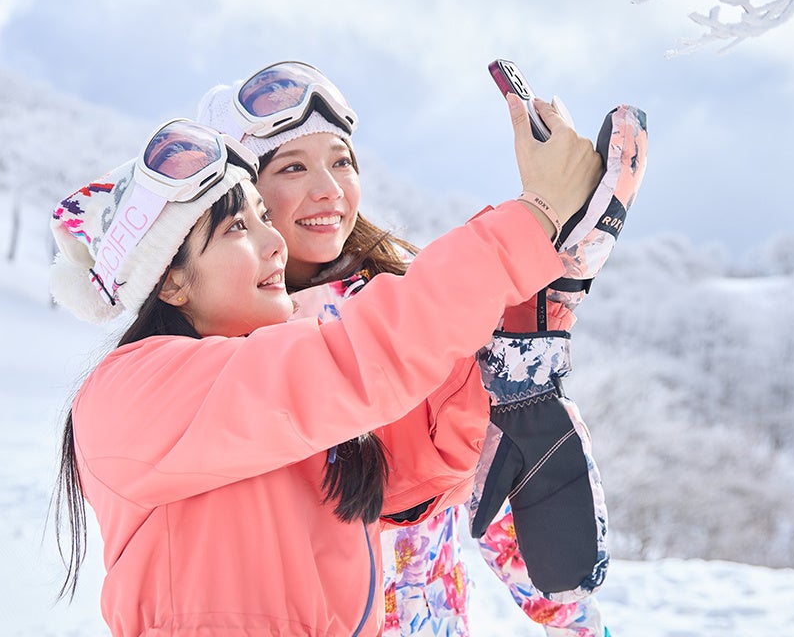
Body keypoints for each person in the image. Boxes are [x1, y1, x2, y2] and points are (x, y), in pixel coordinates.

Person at [48, 99, 602, 636]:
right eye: (237, 229)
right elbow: (360, 361)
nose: (273, 244)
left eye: (263, 217)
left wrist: (518, 336)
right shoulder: (135, 390)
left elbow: (414, 457)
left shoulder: (271, 392)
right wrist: (535, 215)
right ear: (169, 280)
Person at [197, 62, 647, 636]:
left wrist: (572, 615)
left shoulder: (408, 301)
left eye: (341, 162)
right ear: (243, 198)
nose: (329, 189)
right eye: (291, 167)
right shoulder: (226, 351)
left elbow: (504, 479)